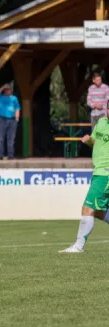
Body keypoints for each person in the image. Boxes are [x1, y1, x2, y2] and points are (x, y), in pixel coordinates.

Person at [60, 101, 109, 253]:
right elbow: (95, 142)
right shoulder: (101, 122)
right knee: (100, 212)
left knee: (87, 208)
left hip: (105, 174)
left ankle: (78, 246)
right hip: (97, 172)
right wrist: (89, 140)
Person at [0, 84, 20, 160]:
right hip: (1, 119)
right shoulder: (0, 97)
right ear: (4, 90)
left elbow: (17, 108)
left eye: (9, 89)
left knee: (11, 139)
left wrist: (17, 118)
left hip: (12, 119)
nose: (8, 90)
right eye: (6, 89)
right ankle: (0, 155)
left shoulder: (14, 98)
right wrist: (2, 87)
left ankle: (10, 155)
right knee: (1, 138)